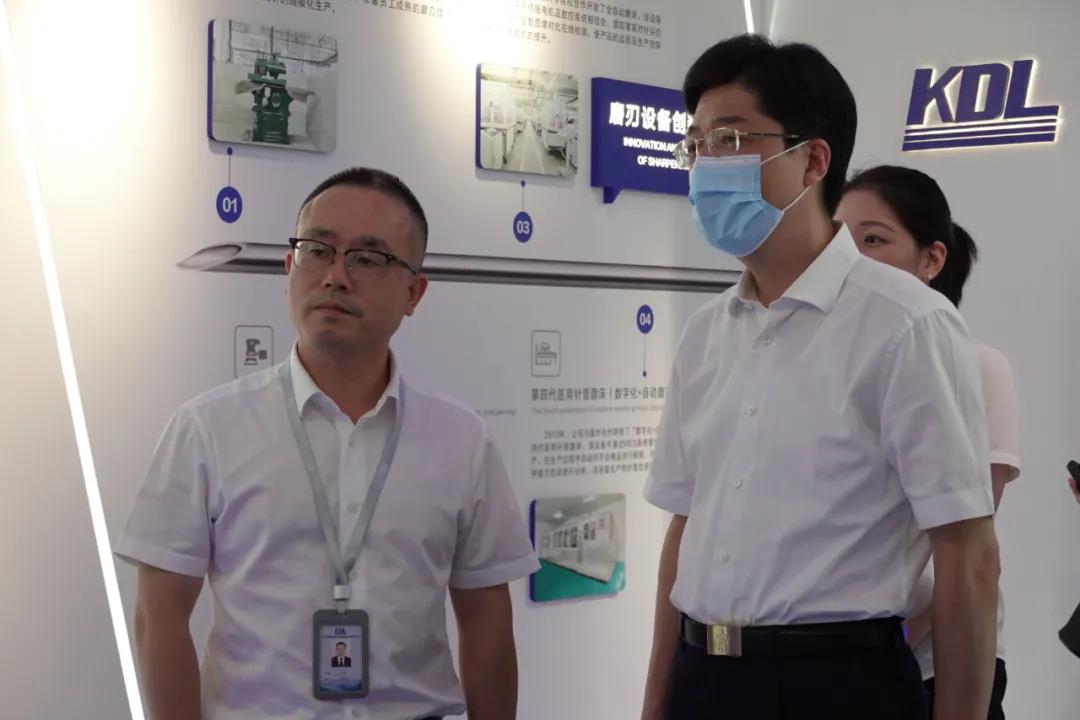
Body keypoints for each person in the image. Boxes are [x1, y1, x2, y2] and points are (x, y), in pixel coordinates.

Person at [641, 34, 1000, 720]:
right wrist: (656, 705)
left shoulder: (907, 325)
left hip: (837, 684)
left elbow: (968, 555)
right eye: (697, 144)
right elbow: (683, 531)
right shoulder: (706, 334)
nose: (707, 164)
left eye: (730, 139)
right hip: (703, 676)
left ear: (812, 159)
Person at [116, 167, 539, 720]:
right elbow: (160, 615)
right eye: (317, 251)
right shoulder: (207, 428)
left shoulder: (462, 440)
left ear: (414, 292)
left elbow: (486, 621)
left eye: (368, 258)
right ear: (289, 267)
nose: (336, 276)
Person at [836, 164, 1022, 720]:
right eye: (839, 240)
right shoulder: (826, 365)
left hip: (933, 659)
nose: (851, 259)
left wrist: (896, 638)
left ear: (931, 260)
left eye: (874, 240)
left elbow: (969, 543)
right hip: (838, 660)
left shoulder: (979, 365)